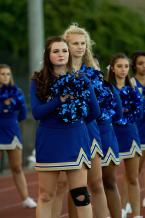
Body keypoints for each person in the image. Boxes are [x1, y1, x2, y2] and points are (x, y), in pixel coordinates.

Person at [30, 36, 100, 218]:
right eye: (56, 51)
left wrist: (77, 122)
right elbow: (37, 113)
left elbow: (95, 111)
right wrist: (59, 100)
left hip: (75, 139)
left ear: (69, 54)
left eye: (64, 51)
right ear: (48, 55)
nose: (61, 54)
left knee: (81, 195)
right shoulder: (38, 80)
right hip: (49, 140)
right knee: (46, 196)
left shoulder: (82, 79)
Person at [62, 24, 110, 218]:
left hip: (90, 129)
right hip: (67, 132)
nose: (80, 47)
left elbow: (100, 104)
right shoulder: (59, 71)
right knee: (73, 186)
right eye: (75, 43)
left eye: (83, 43)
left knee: (97, 183)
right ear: (66, 45)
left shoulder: (92, 71)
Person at [108, 53, 143, 218]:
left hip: (130, 135)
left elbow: (138, 112)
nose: (123, 70)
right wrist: (122, 112)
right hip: (111, 136)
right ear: (112, 68)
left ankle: (136, 215)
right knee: (110, 180)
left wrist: (121, 113)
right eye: (120, 66)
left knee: (133, 178)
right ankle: (119, 210)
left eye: (126, 66)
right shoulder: (106, 89)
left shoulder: (132, 89)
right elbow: (105, 112)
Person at [0, 64, 36, 208]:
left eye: (8, 74)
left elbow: (22, 113)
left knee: (17, 167)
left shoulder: (17, 92)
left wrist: (10, 106)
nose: (6, 77)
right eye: (2, 74)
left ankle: (26, 198)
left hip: (12, 131)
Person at [131, 51, 145, 208]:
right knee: (135, 171)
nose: (144, 66)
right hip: (138, 130)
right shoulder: (132, 82)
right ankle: (128, 201)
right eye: (141, 63)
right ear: (134, 65)